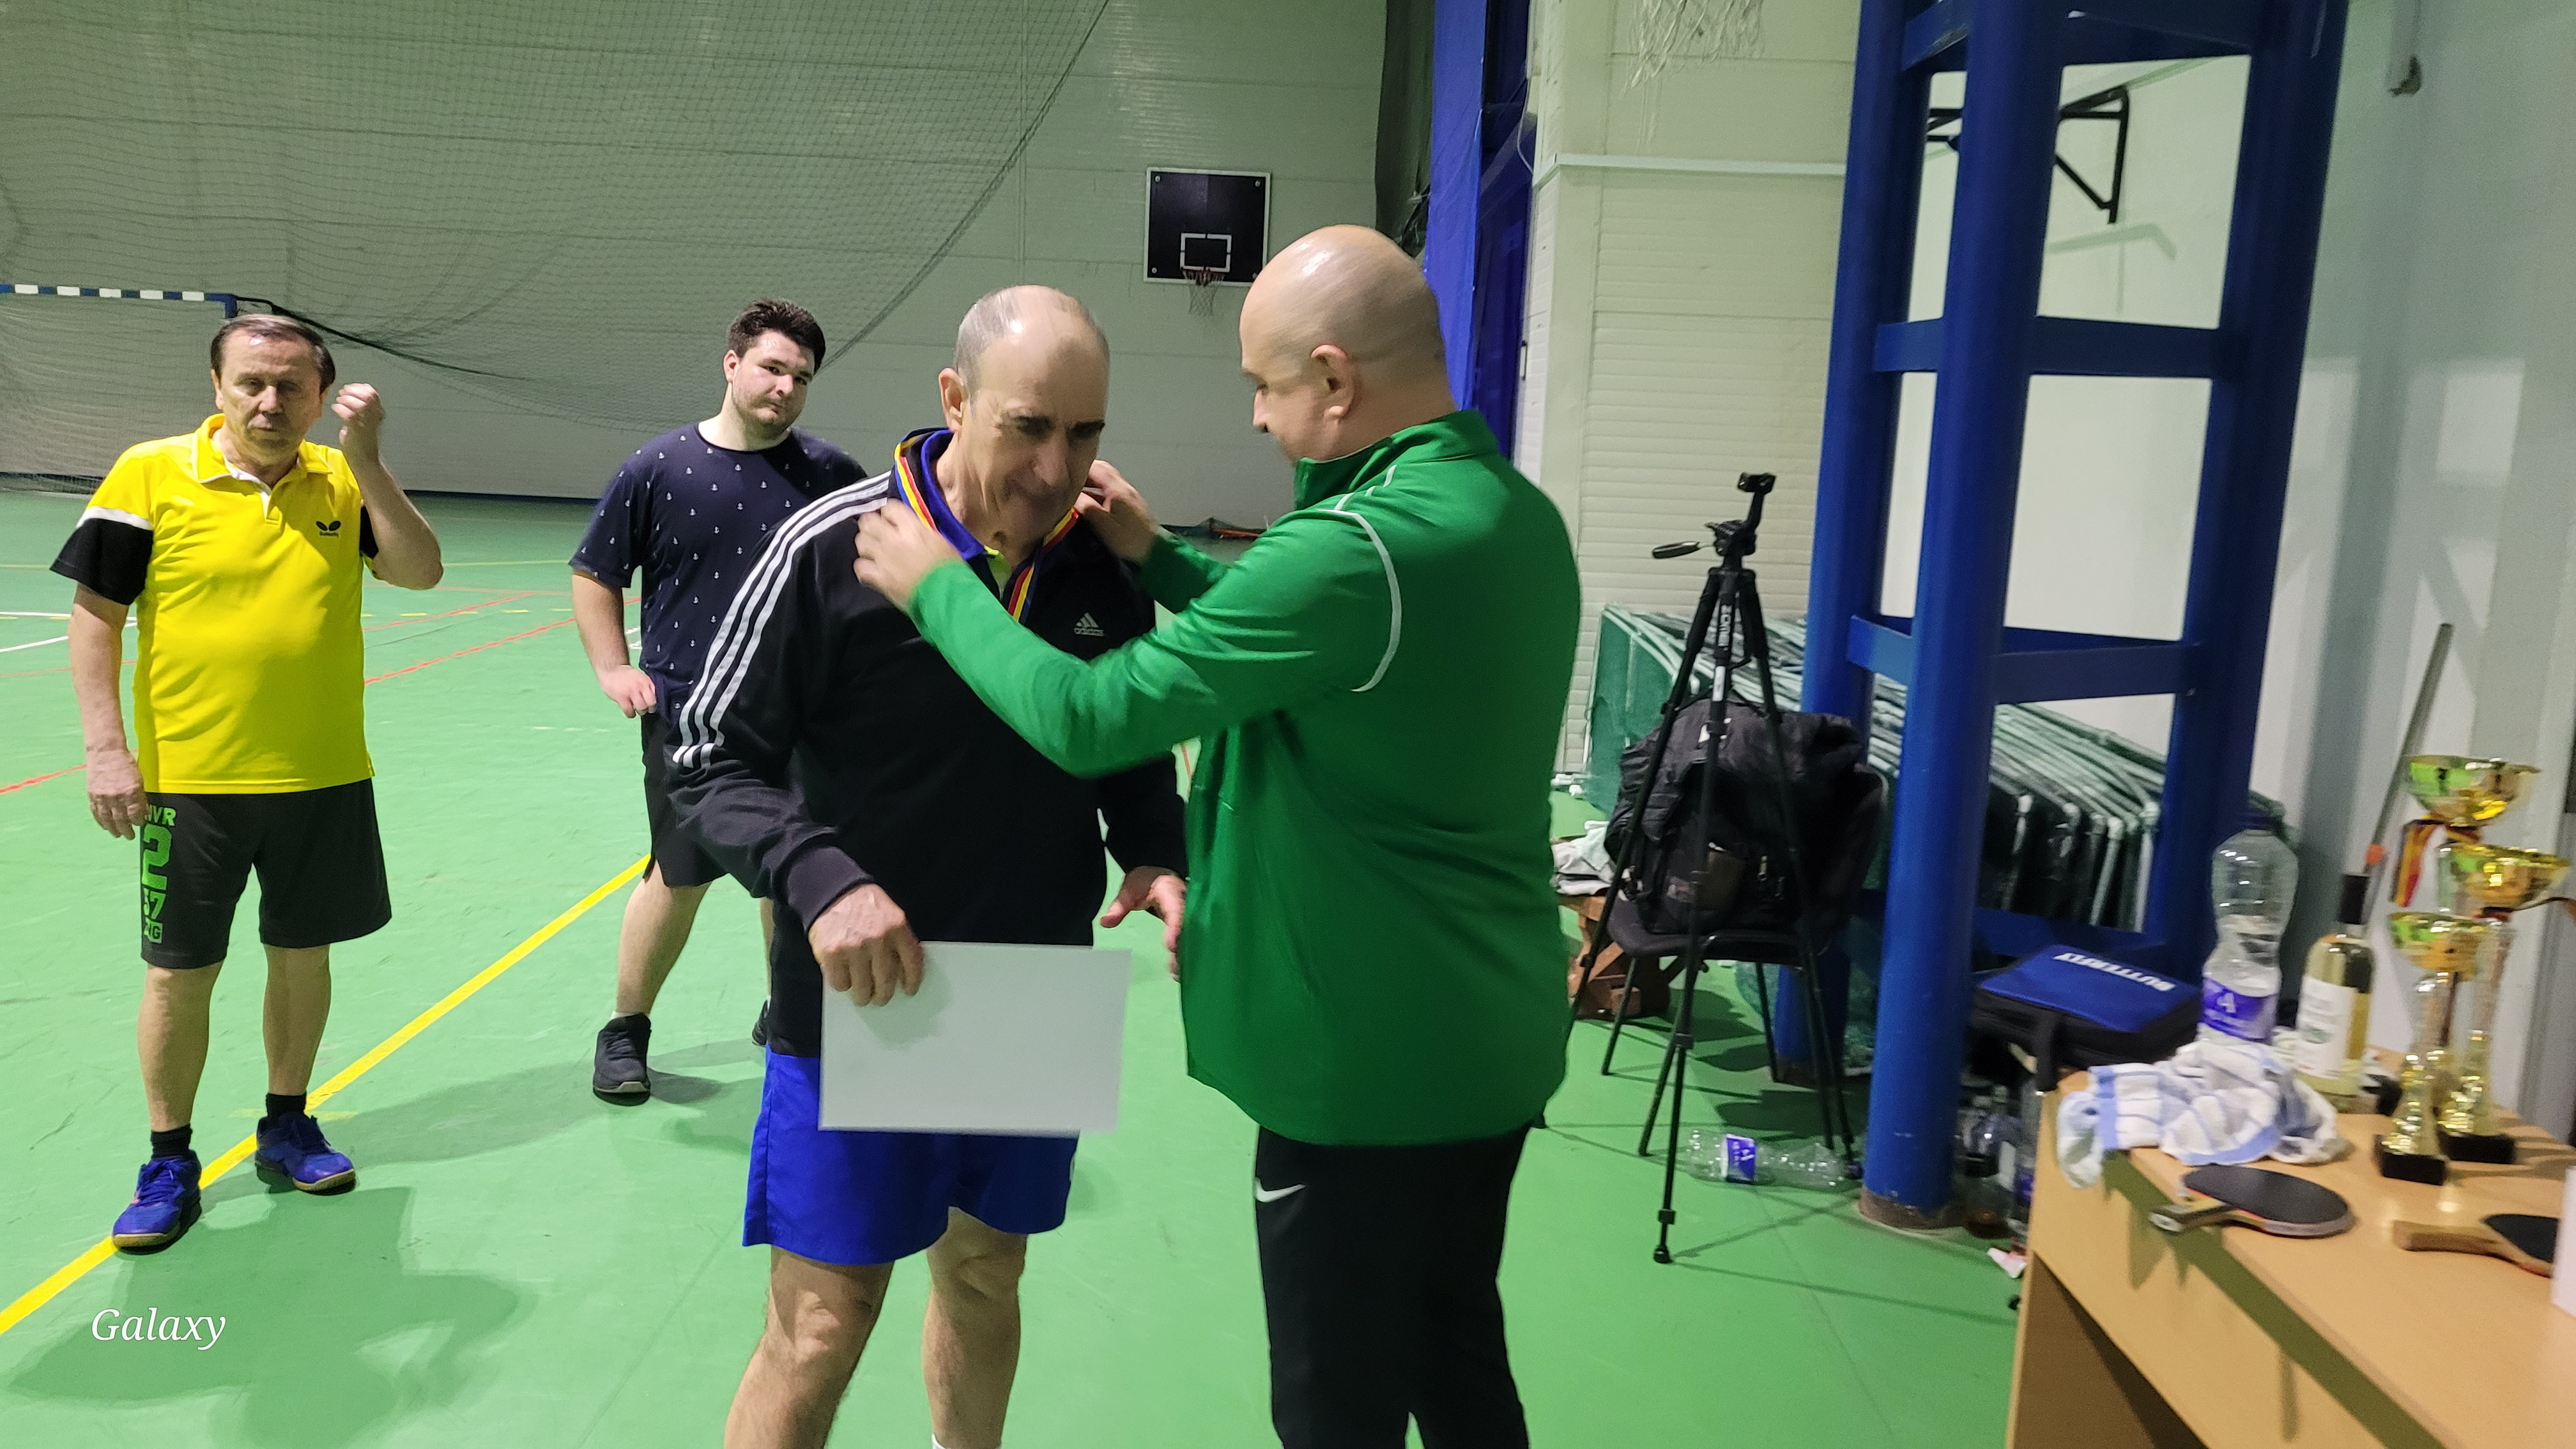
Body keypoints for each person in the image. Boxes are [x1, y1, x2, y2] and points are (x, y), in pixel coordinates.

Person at [855, 226, 1579, 1448]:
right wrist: (1158, 557)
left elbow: (1091, 717)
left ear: (1334, 379)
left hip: (1364, 1066)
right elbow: (1329, 643)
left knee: (1334, 1404)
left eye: (1264, 385)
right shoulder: (1507, 514)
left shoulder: (1351, 549)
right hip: (1483, 1035)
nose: (1254, 415)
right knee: (1452, 1351)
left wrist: (934, 585)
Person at [671, 285, 1186, 1449]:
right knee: (821, 1322)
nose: (1057, 469)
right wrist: (820, 878)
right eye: (1028, 426)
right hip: (863, 997)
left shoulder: (1099, 563)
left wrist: (1155, 848)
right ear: (954, 399)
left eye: (1086, 433)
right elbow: (705, 757)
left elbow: (1125, 736)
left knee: (986, 1273)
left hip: (1027, 988)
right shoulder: (832, 546)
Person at [55, 313, 445, 1253]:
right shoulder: (151, 473)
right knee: (179, 972)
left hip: (322, 776)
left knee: (303, 957)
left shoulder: (342, 479)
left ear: (320, 396)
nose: (270, 403)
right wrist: (106, 749)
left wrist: (369, 459)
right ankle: (169, 1159)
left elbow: (420, 571)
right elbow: (97, 617)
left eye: (290, 387)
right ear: (218, 388)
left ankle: (287, 1124)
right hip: (190, 783)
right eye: (251, 384)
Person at [571, 298, 866, 1101]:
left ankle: (788, 1015)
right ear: (732, 364)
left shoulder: (832, 475)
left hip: (802, 716)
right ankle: (625, 1030)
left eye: (801, 377)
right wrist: (612, 668)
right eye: (772, 368)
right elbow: (596, 571)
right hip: (691, 717)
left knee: (793, 870)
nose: (785, 387)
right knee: (678, 875)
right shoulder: (658, 468)